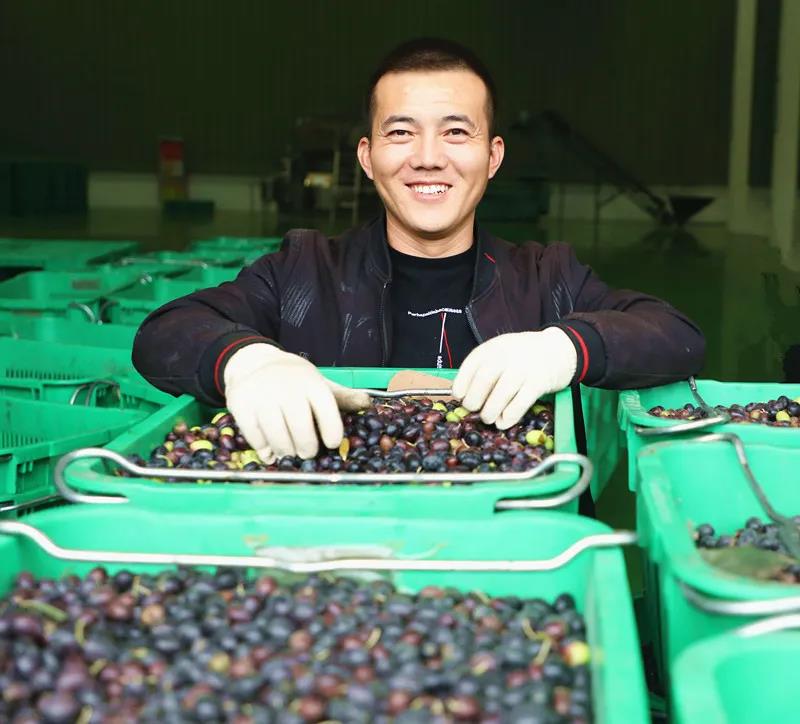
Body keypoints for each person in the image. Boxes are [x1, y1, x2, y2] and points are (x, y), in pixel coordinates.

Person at [133, 38, 705, 465]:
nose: (428, 158)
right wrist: (249, 361)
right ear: (367, 157)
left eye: (456, 132)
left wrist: (565, 346)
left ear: (493, 156)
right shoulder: (303, 270)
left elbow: (676, 336)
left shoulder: (548, 276)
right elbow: (165, 332)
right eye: (401, 132)